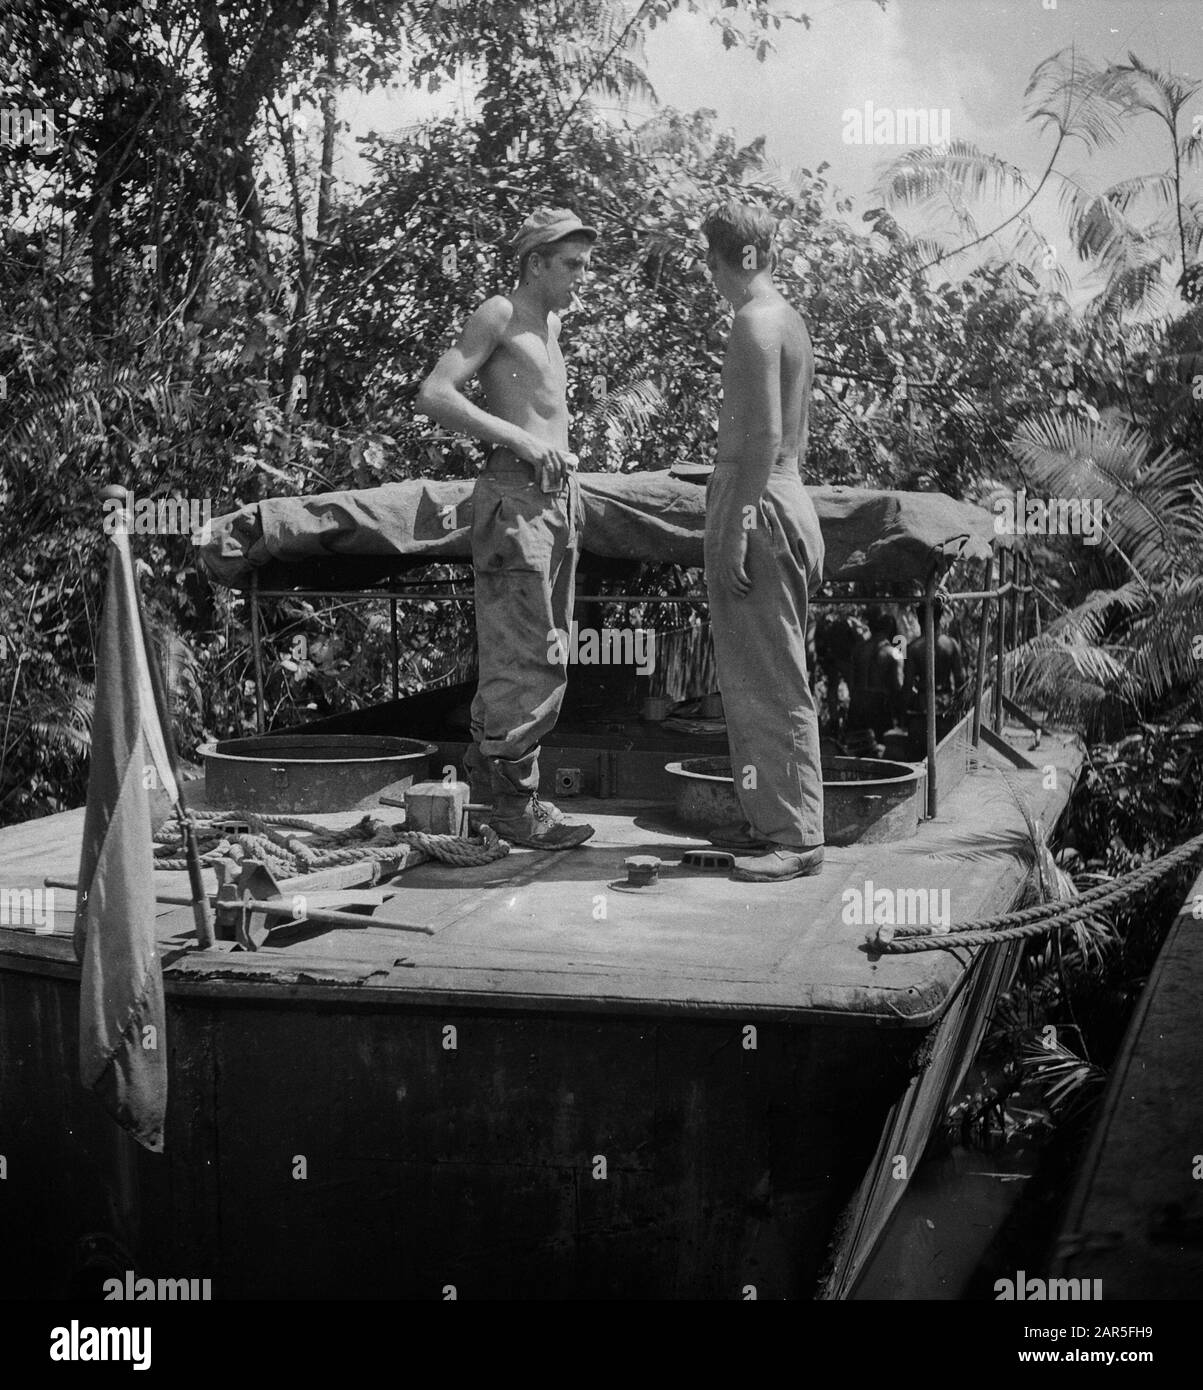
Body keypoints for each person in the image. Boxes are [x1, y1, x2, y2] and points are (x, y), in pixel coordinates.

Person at [416, 208, 597, 849]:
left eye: (585, 265)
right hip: (514, 502)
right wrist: (520, 440)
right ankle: (516, 807)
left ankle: (487, 786)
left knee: (545, 650)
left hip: (557, 504)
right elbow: (435, 393)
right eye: (571, 265)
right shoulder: (499, 312)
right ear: (535, 263)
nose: (582, 276)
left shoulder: (552, 323)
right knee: (523, 657)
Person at [700, 200, 826, 882]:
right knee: (767, 671)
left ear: (719, 260)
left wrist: (735, 529)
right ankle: (774, 818)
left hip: (760, 501)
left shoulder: (753, 320)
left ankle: (794, 835)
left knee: (766, 679)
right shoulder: (789, 318)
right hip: (787, 496)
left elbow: (766, 436)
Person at [848, 608, 907, 745]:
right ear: (890, 629)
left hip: (857, 704)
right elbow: (898, 686)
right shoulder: (893, 653)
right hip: (880, 707)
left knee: (858, 747)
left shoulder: (858, 649)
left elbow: (851, 680)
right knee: (881, 747)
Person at [905, 598, 965, 711]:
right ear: (940, 618)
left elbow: (907, 685)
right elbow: (960, 679)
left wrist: (903, 710)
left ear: (919, 619)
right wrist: (959, 706)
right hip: (946, 702)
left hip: (923, 703)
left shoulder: (913, 648)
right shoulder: (951, 644)